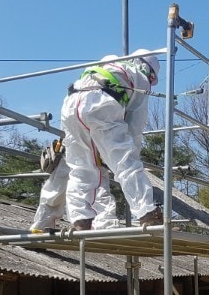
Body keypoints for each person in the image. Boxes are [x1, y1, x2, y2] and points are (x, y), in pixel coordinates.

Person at [61, 49, 163, 230]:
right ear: (150, 72)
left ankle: (81, 219)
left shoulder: (109, 64)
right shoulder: (140, 77)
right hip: (101, 104)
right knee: (126, 163)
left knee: (81, 165)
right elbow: (135, 127)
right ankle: (147, 213)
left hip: (70, 105)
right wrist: (126, 154)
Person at [29, 148, 118, 232]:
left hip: (93, 152)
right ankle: (40, 228)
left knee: (97, 193)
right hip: (72, 153)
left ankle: (101, 228)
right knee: (54, 195)